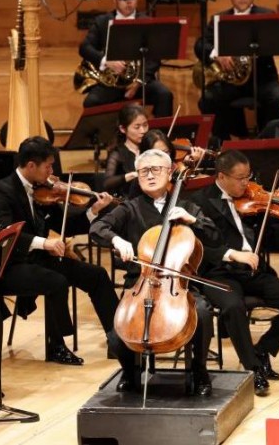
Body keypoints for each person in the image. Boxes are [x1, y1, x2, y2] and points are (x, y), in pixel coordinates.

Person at [0, 136, 134, 370]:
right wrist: (45, 243)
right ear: (31, 165)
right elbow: (4, 234)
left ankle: (118, 340)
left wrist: (94, 211)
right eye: (48, 166)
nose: (52, 172)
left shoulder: (42, 190)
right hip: (10, 266)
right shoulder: (2, 192)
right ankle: (56, 345)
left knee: (97, 275)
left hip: (39, 260)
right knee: (56, 281)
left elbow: (68, 225)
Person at [90, 149, 220, 395]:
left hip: (179, 286)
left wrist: (193, 221)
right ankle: (130, 372)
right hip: (139, 285)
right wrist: (117, 240)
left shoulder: (186, 206)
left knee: (202, 313)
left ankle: (200, 370)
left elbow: (215, 237)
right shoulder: (130, 208)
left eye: (156, 169)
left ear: (170, 173)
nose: (149, 175)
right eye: (144, 171)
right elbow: (98, 228)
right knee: (116, 335)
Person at [189, 149, 279, 396]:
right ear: (222, 176)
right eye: (240, 178)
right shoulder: (199, 202)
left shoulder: (253, 200)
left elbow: (271, 239)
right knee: (233, 306)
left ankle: (262, 349)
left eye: (248, 177)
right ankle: (253, 368)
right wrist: (231, 254)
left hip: (253, 271)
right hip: (218, 272)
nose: (246, 184)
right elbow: (199, 244)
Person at [194, 0, 279, 140]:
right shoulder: (219, 18)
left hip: (263, 80)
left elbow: (277, 41)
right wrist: (218, 54)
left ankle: (268, 140)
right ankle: (222, 144)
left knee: (278, 97)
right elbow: (200, 44)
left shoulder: (267, 15)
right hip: (231, 81)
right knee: (208, 99)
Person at [78, 0, 173, 117]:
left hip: (140, 82)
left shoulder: (147, 22)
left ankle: (159, 130)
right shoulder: (102, 21)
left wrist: (138, 82)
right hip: (111, 84)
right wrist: (106, 60)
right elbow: (85, 47)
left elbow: (154, 58)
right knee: (91, 102)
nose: (129, 2)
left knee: (164, 95)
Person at [104, 104, 149, 197]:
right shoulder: (117, 153)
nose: (143, 131)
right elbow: (107, 183)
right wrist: (131, 175)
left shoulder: (149, 148)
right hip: (128, 201)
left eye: (145, 125)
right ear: (123, 129)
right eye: (137, 127)